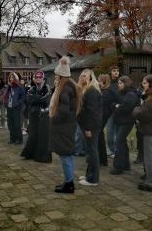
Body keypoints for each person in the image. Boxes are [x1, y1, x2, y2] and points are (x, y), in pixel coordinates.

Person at [49, 56, 82, 193]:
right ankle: (69, 182)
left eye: (56, 75)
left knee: (65, 156)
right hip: (68, 126)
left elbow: (63, 111)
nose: (55, 77)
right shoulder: (71, 86)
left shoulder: (64, 89)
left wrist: (53, 119)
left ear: (60, 76)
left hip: (64, 128)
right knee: (67, 155)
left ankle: (69, 184)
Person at [77, 69, 102, 186]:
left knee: (93, 152)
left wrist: (88, 128)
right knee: (90, 151)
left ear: (91, 78)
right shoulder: (85, 90)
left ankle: (93, 179)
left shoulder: (91, 91)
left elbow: (92, 113)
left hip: (91, 126)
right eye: (82, 76)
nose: (83, 78)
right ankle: (89, 174)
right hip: (86, 124)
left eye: (85, 76)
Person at [20, 71, 52, 163]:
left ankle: (42, 157)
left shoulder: (47, 88)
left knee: (43, 137)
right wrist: (37, 99)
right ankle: (30, 154)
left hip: (44, 115)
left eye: (40, 77)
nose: (38, 79)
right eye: (36, 77)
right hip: (33, 115)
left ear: (42, 78)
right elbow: (28, 99)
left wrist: (35, 99)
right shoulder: (31, 88)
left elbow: (45, 101)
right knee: (32, 135)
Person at [110, 76, 139, 175]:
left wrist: (117, 107)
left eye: (121, 83)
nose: (119, 85)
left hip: (127, 122)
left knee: (118, 142)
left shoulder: (131, 94)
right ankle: (126, 164)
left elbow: (125, 109)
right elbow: (113, 104)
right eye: (118, 83)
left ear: (126, 83)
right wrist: (116, 106)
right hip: (119, 121)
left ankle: (118, 166)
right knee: (122, 142)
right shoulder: (121, 93)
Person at [97, 74, 117, 166]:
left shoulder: (107, 92)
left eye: (99, 80)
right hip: (102, 115)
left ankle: (102, 159)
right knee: (99, 135)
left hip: (103, 116)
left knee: (99, 135)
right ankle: (102, 158)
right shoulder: (103, 91)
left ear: (104, 81)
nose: (98, 82)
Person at [4, 72, 25, 144]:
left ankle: (19, 139)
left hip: (16, 108)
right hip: (9, 107)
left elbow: (23, 98)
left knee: (16, 124)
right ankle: (12, 138)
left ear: (15, 79)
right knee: (10, 124)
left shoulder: (19, 87)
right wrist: (5, 102)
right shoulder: (9, 87)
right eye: (10, 77)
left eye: (12, 77)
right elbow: (5, 96)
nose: (11, 79)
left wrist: (17, 103)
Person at [106, 66, 120, 157]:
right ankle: (111, 150)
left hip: (119, 111)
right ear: (110, 72)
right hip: (110, 111)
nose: (116, 72)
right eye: (114, 71)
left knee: (118, 132)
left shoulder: (121, 82)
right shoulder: (108, 84)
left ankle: (117, 150)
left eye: (117, 71)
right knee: (110, 132)